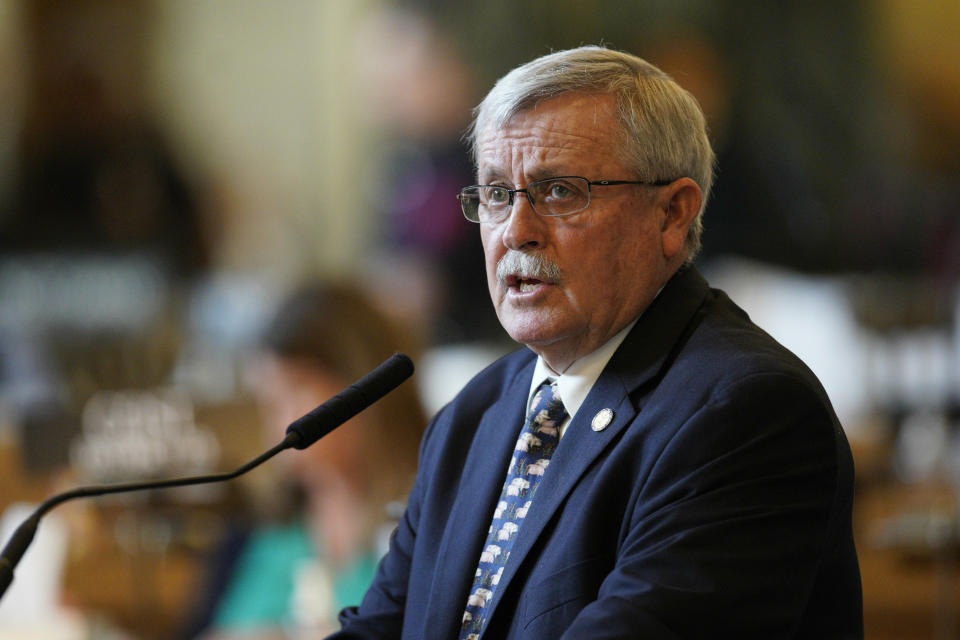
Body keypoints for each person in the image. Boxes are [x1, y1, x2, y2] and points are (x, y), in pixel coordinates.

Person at [330, 46, 862, 639]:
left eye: (560, 192)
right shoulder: (476, 412)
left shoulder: (747, 414)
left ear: (672, 214)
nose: (516, 232)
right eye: (497, 195)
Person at [187, 283, 426, 639]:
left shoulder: (432, 520)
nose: (278, 423)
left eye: (295, 389)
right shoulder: (259, 527)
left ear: (365, 390)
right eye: (267, 400)